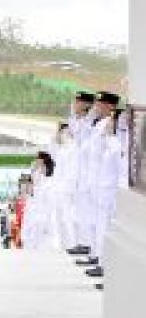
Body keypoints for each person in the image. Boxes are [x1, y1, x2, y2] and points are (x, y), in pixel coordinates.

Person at [86, 109, 123, 279]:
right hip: (103, 192)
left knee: (108, 230)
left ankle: (107, 267)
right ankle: (102, 263)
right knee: (102, 228)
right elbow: (93, 147)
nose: (106, 124)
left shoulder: (116, 145)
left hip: (111, 194)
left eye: (111, 121)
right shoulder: (110, 143)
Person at [67, 92, 96, 256]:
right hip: (80, 174)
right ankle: (83, 242)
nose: (74, 105)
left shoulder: (91, 122)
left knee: (88, 211)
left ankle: (88, 244)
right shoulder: (78, 121)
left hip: (89, 174)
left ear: (86, 104)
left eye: (77, 102)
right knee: (80, 210)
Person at [49, 123, 78, 251]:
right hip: (58, 187)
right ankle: (61, 243)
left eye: (63, 132)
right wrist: (55, 136)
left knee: (68, 216)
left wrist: (69, 187)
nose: (61, 135)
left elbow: (74, 170)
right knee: (58, 217)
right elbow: (52, 152)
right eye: (61, 133)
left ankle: (72, 243)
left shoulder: (74, 148)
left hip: (66, 187)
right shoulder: (63, 149)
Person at [20, 152, 56, 249]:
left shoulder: (47, 173)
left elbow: (41, 183)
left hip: (42, 201)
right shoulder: (33, 170)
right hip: (34, 200)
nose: (35, 160)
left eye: (38, 158)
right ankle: (30, 244)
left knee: (40, 224)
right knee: (31, 224)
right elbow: (27, 188)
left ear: (42, 160)